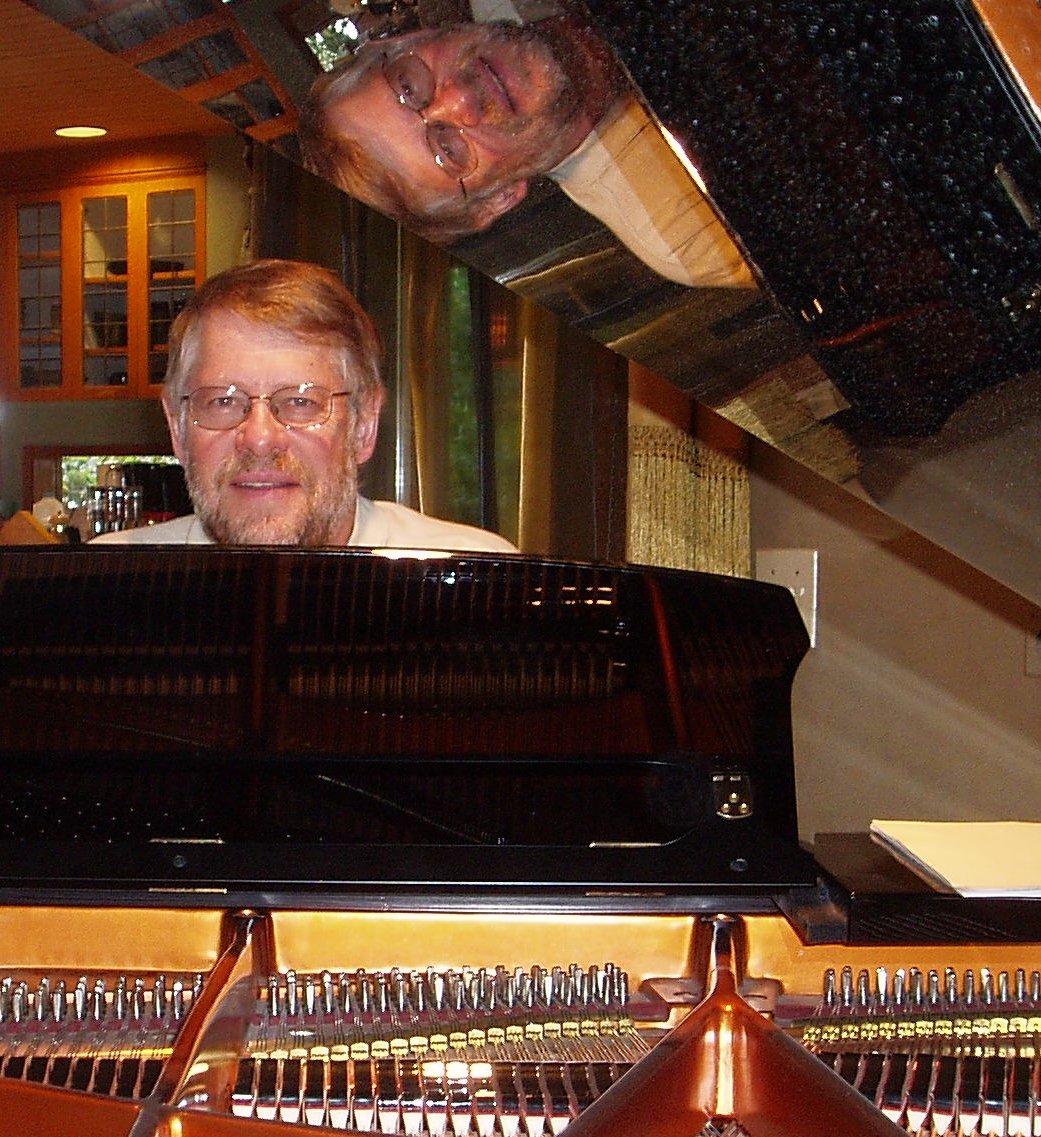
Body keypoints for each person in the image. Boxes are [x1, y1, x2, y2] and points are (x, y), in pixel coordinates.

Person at [297, 7, 754, 289]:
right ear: (498, 199)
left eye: (408, 84)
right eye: (448, 149)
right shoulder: (686, 231)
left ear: (400, 40)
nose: (458, 98)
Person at [94, 259, 516, 552]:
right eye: (223, 401)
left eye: (300, 401)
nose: (259, 439)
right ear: (177, 427)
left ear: (364, 425)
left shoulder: (475, 585)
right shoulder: (104, 590)